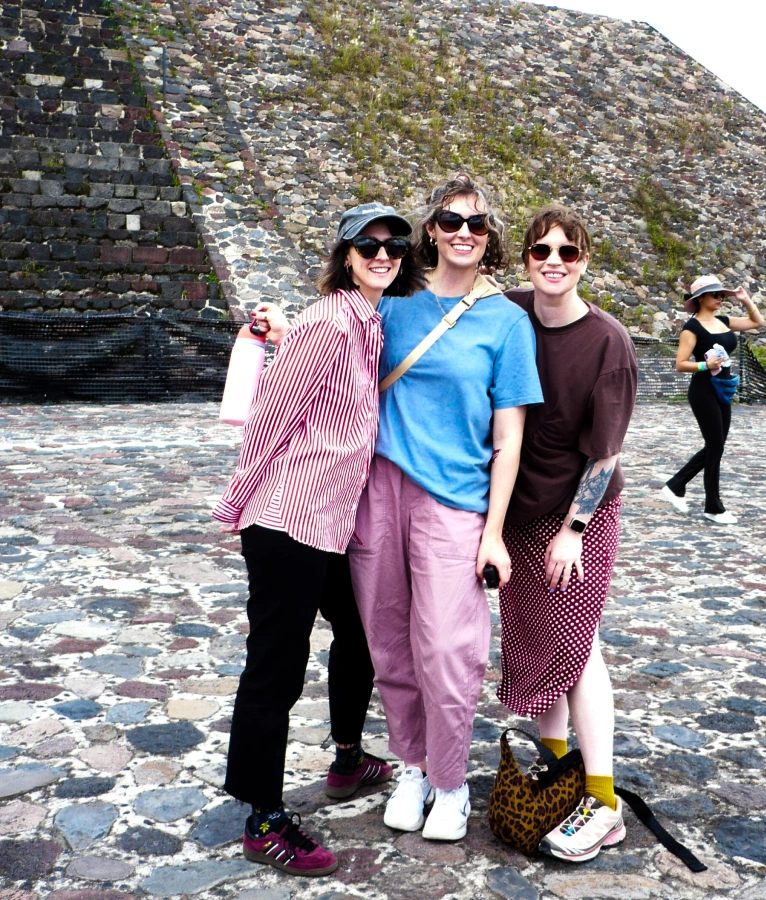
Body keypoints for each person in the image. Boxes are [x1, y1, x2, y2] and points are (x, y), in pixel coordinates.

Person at [212, 203, 426, 877]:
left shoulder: (367, 319)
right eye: (368, 243)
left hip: (331, 521)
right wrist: (238, 504)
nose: (383, 252)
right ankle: (263, 819)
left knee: (360, 631)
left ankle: (346, 756)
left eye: (394, 243)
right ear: (345, 253)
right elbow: (269, 417)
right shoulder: (330, 323)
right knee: (274, 665)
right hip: (288, 520)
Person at [347, 174, 544, 841]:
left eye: (478, 224)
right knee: (389, 639)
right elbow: (334, 342)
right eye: (451, 221)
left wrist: (495, 534)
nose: (464, 234)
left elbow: (510, 433)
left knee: (448, 649)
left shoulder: (507, 322)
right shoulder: (392, 302)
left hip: (455, 498)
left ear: (490, 237)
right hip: (380, 489)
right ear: (428, 229)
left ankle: (453, 782)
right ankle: (414, 765)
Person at [497, 205, 638, 862]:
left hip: (575, 519)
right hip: (519, 517)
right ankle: (560, 766)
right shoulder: (512, 310)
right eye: (541, 251)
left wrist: (573, 530)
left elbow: (604, 454)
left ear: (585, 261)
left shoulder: (608, 342)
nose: (554, 262)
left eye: (569, 252)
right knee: (534, 643)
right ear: (526, 258)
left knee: (579, 650)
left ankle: (603, 803)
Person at [660, 274, 765, 524]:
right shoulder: (691, 328)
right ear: (701, 298)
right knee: (715, 446)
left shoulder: (724, 321)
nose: (720, 298)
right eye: (716, 295)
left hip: (724, 388)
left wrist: (745, 299)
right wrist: (705, 365)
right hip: (703, 390)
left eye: (722, 294)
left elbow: (756, 321)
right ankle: (713, 507)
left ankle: (676, 486)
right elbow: (680, 364)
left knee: (715, 446)